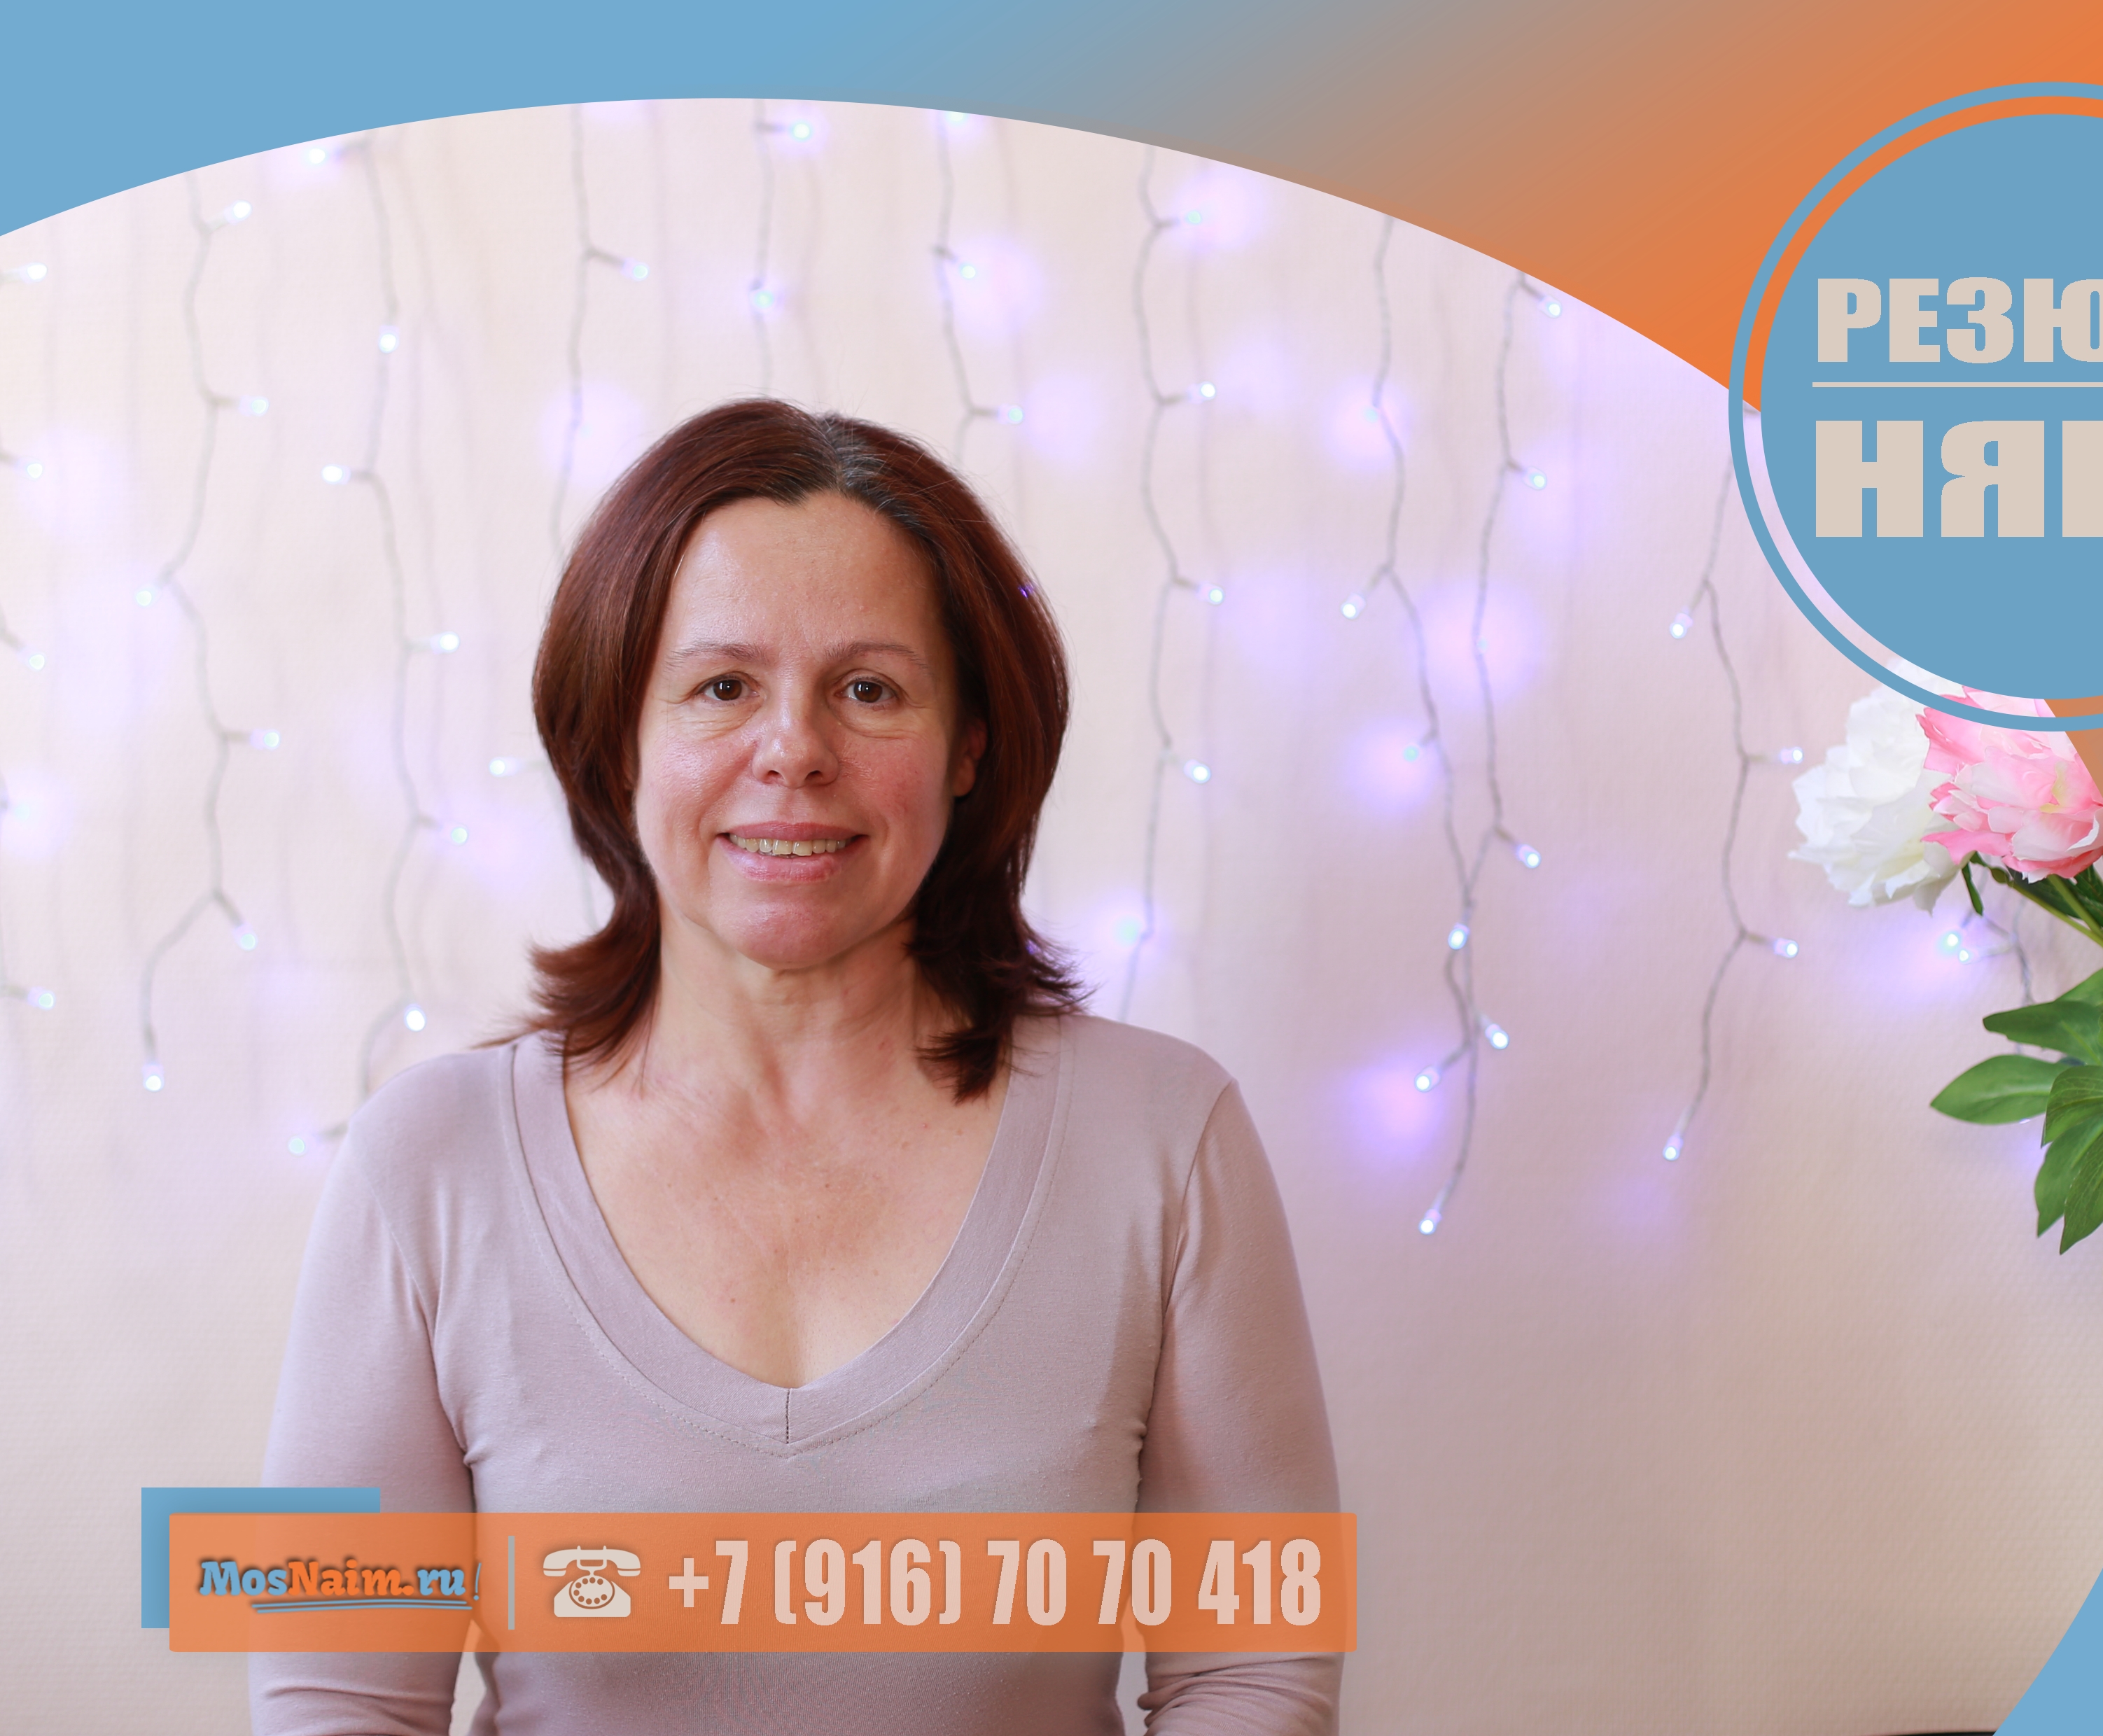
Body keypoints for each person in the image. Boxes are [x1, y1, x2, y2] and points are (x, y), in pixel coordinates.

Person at [251, 400, 1340, 1735]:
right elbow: (336, 1695)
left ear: (969, 747)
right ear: (616, 737)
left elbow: (1252, 1671)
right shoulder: (426, 1164)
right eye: (722, 687)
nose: (795, 750)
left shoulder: (1167, 1140)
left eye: (869, 690)